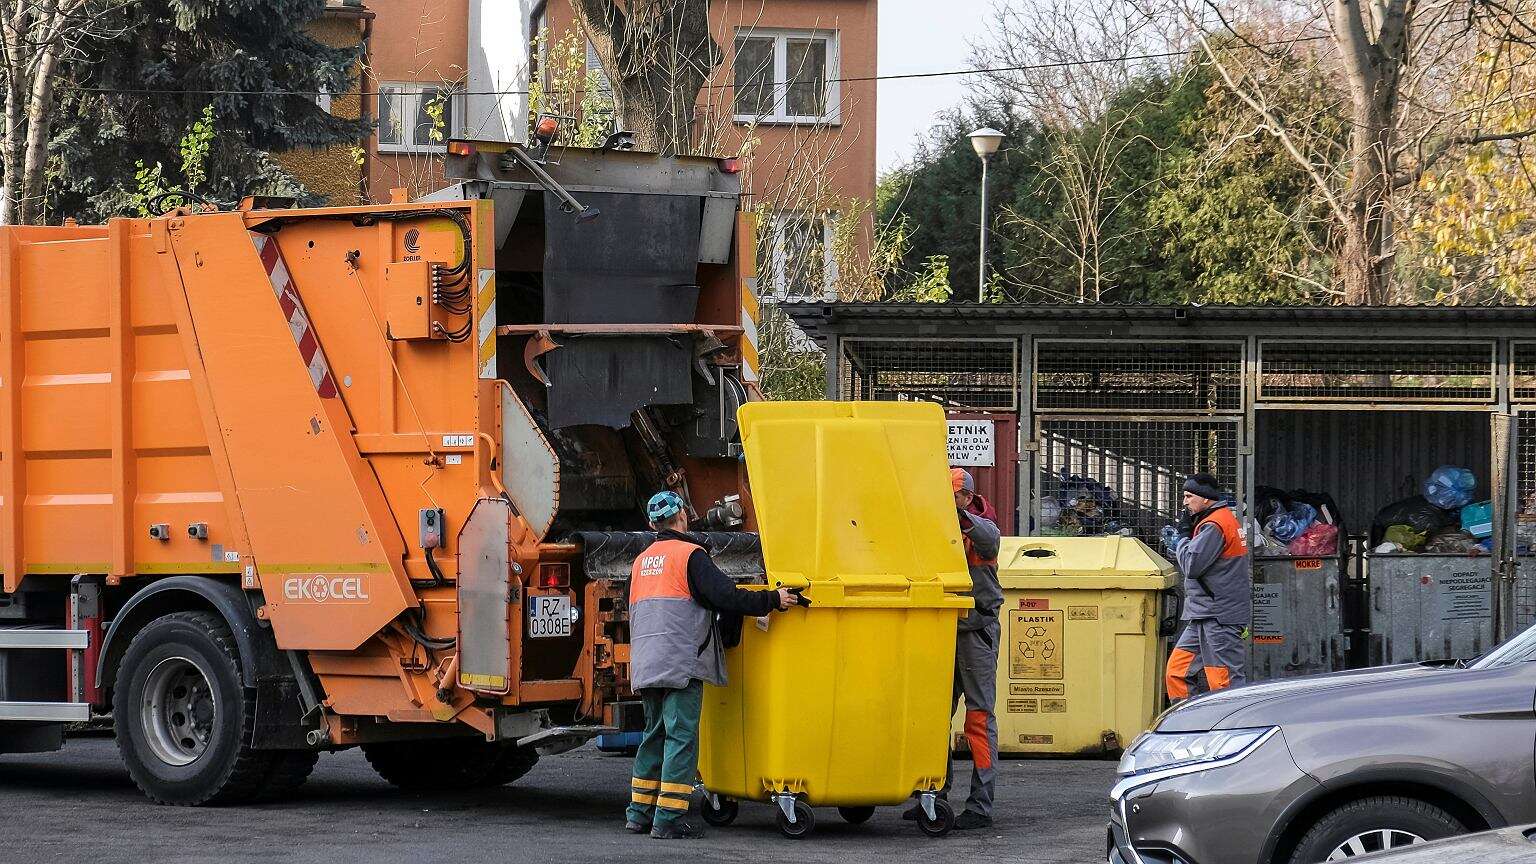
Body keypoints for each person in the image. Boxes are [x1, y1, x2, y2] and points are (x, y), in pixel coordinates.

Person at [624, 490, 796, 840]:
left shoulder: (641, 561)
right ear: (682, 517)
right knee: (681, 737)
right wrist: (772, 599)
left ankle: (639, 813)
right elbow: (726, 596)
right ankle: (668, 819)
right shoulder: (690, 555)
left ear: (653, 523)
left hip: (646, 660)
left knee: (654, 734)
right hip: (680, 661)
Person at [908, 468, 1002, 830]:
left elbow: (989, 541)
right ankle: (933, 795)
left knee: (978, 718)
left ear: (966, 498)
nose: (947, 505)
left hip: (974, 631)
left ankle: (980, 806)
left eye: (953, 499)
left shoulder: (980, 523)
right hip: (942, 630)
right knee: (933, 717)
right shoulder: (932, 524)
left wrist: (959, 518)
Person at [1163, 473, 1252, 701]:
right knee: (1177, 672)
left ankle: (1233, 730)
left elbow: (1192, 565)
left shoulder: (1214, 525)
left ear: (1205, 498)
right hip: (1205, 615)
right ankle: (1186, 723)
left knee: (1223, 682)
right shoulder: (1216, 520)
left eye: (1188, 496)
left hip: (1218, 617)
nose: (1184, 502)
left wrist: (1182, 537)